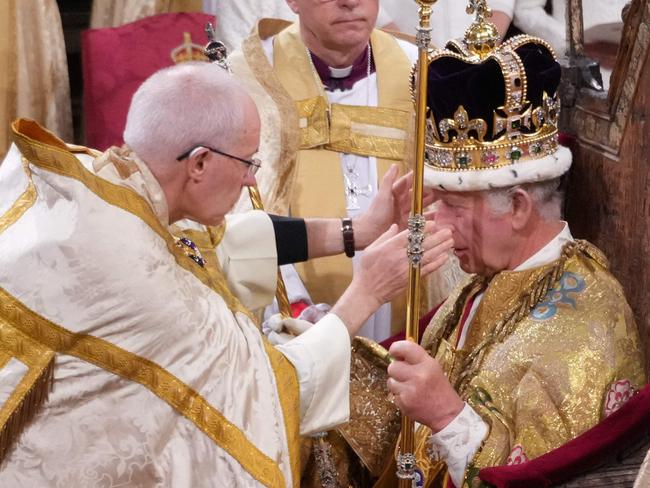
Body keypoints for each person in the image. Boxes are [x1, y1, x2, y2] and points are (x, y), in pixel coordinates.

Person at [0, 62, 454, 486]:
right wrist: (366, 291)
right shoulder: (149, 289)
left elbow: (218, 242)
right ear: (199, 163)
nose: (252, 182)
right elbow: (271, 394)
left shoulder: (93, 184)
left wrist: (359, 231)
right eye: (248, 162)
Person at [383, 11, 646, 488]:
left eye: (453, 205)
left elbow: (549, 476)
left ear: (519, 207)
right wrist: (329, 342)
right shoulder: (487, 281)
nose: (434, 221)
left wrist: (445, 414)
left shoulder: (583, 326)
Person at [228, 0, 458, 342]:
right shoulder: (251, 75)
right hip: (296, 310)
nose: (349, 2)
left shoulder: (423, 68)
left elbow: (451, 191)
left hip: (409, 304)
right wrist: (291, 302)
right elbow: (243, 202)